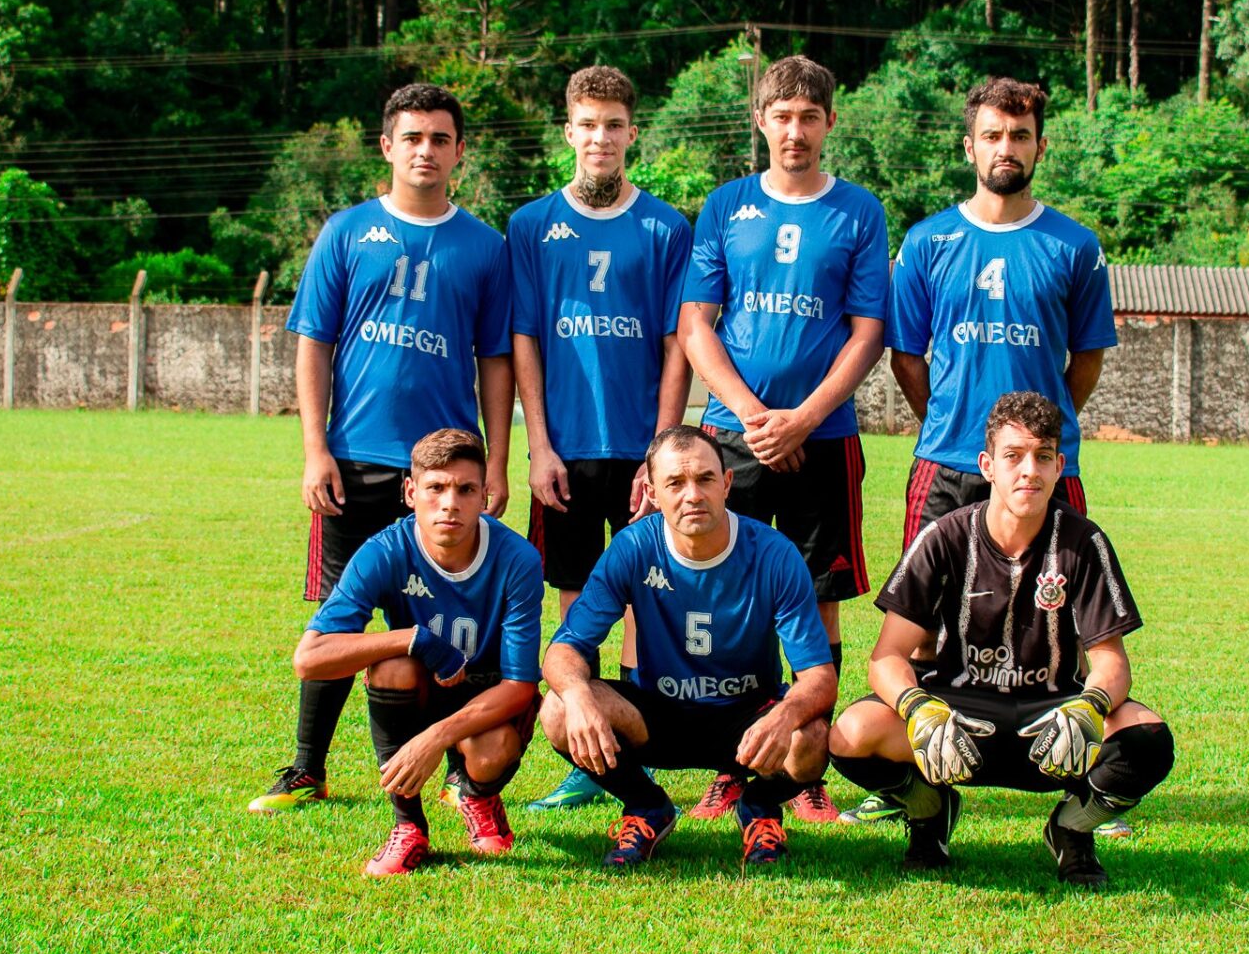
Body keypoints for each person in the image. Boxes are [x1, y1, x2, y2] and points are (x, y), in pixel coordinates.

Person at [843, 76, 1120, 828]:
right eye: (993, 135)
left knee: (1062, 620)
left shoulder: (1074, 246)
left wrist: (1033, 445)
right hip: (946, 460)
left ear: (1040, 145)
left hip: (1041, 471)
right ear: (970, 146)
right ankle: (910, 764)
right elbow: (907, 355)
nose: (1007, 148)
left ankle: (1080, 775)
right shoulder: (929, 241)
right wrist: (957, 427)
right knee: (919, 624)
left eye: (1020, 135)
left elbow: (1086, 360)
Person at [249, 83, 515, 814]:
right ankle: (307, 766)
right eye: (412, 137)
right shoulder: (346, 232)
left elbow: (495, 359)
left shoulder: (485, 248)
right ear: (387, 147)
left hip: (442, 476)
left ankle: (468, 769)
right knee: (341, 616)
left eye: (440, 138)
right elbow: (314, 344)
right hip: (354, 460)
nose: (425, 150)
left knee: (462, 617)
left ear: (460, 151)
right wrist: (314, 448)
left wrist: (495, 459)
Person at [828, 392, 1175, 887]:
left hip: (1052, 722)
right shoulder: (945, 537)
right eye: (1013, 456)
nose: (1028, 471)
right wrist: (918, 709)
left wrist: (1090, 706)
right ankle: (929, 809)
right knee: (850, 735)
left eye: (1043, 457)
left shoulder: (1083, 540)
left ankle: (1071, 829)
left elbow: (1111, 663)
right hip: (956, 721)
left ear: (1060, 467)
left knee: (1148, 740)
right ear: (988, 465)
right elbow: (887, 657)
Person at [675, 54, 889, 824]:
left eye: (809, 116)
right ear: (759, 121)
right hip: (730, 436)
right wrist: (754, 415)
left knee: (817, 600)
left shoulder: (859, 211)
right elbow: (696, 323)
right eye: (781, 115)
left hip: (824, 438)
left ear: (830, 123)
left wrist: (802, 417)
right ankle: (731, 766)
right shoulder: (726, 204)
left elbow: (868, 332)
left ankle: (807, 768)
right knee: (725, 596)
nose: (794, 131)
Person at [508, 65, 693, 812]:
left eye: (614, 125)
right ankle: (584, 751)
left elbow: (678, 346)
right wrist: (538, 446)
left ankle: (636, 746)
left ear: (631, 133)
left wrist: (662, 452)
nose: (601, 138)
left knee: (648, 601)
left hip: (640, 449)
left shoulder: (665, 227)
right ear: (569, 133)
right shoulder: (531, 226)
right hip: (567, 449)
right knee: (576, 601)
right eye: (588, 124)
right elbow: (524, 339)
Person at [537, 426, 839, 871]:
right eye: (675, 483)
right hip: (660, 715)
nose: (692, 495)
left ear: (728, 484)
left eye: (705, 479)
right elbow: (564, 650)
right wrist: (580, 695)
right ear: (653, 493)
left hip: (746, 720)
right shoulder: (633, 548)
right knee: (558, 710)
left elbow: (819, 677)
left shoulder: (773, 553)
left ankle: (758, 809)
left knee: (811, 737)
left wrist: (786, 715)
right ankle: (646, 806)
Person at [289, 429, 544, 875]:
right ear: (411, 492)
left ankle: (477, 796)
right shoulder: (384, 552)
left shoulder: (517, 558)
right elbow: (309, 658)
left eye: (466, 489)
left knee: (491, 749)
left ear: (485, 495)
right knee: (390, 664)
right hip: (424, 688)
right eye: (436, 488)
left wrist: (435, 738)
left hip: (486, 701)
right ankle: (409, 827)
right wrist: (412, 638)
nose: (450, 503)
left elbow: (520, 686)